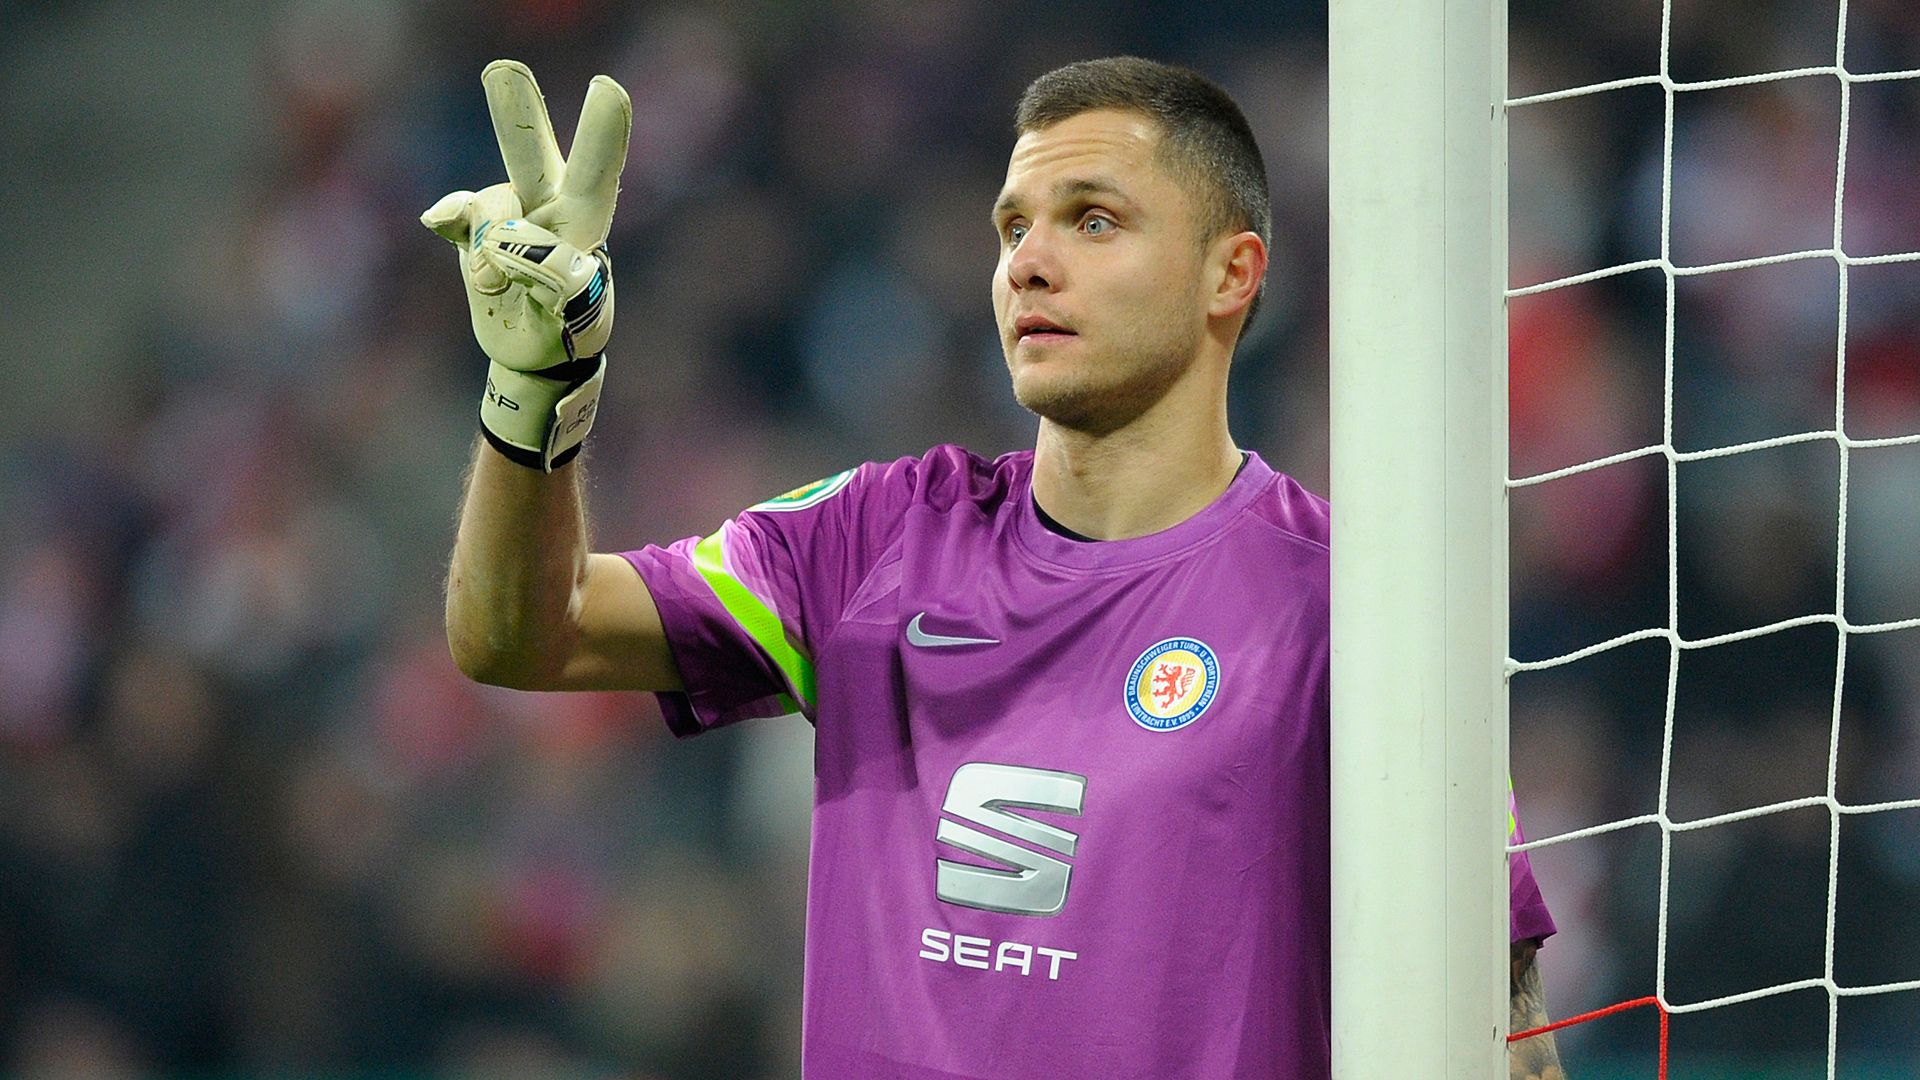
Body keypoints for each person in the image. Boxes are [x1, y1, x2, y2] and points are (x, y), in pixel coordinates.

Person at [431, 55, 1564, 1080]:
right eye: (1013, 226)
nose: (1031, 262)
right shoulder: (878, 537)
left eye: (1094, 220)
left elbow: (1507, 1042)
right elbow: (528, 634)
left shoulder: (1356, 608)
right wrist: (535, 396)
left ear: (1232, 274)